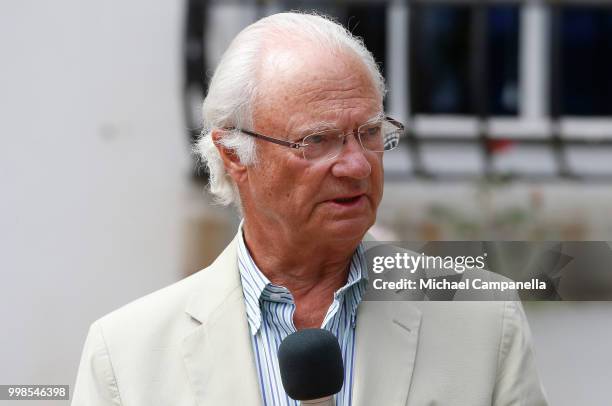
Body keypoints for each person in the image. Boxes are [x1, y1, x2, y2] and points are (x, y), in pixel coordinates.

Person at [72, 12, 548, 406]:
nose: (357, 164)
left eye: (369, 132)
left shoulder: (483, 319)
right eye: (317, 140)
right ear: (235, 154)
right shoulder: (125, 356)